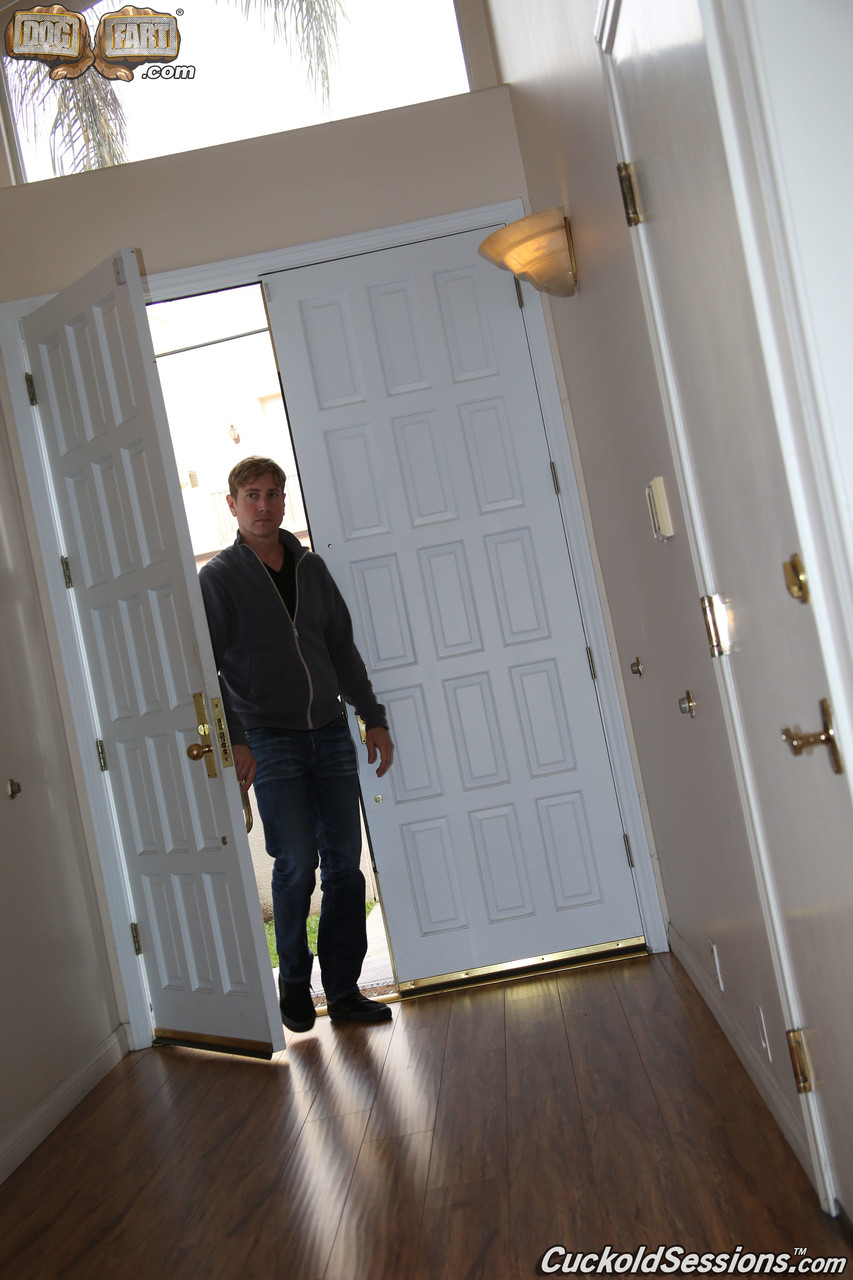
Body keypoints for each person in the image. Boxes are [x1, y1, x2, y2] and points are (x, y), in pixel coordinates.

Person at [199, 456, 394, 1031]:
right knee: (296, 862)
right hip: (269, 737)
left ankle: (344, 990)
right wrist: (237, 739)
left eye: (273, 494)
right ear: (233, 505)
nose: (263, 505)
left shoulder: (312, 568)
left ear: (284, 502)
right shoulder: (218, 579)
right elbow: (208, 668)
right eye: (251, 495)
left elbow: (341, 650)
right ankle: (292, 980)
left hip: (329, 731)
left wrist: (372, 716)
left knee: (345, 867)